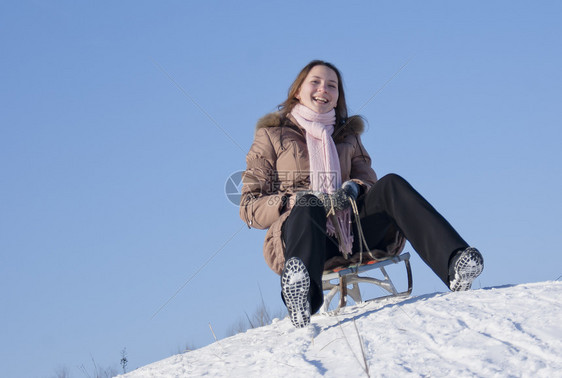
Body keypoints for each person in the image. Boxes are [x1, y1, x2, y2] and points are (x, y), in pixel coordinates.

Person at [239, 60, 483, 328]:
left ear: (337, 97)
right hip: (305, 238)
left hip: (354, 232)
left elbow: (367, 178)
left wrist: (353, 188)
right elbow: (249, 206)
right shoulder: (272, 136)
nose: (324, 89)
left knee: (391, 184)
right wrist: (290, 200)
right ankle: (302, 299)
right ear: (298, 91)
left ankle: (455, 263)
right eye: (316, 82)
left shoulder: (347, 136)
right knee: (308, 202)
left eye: (332, 86)